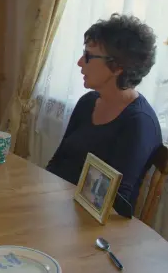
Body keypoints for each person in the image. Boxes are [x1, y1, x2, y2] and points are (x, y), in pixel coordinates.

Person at [46, 14, 162, 217]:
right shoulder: (87, 102)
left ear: (117, 66)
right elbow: (57, 163)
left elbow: (116, 204)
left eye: (89, 56)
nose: (80, 62)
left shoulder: (139, 123)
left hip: (92, 225)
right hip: (58, 207)